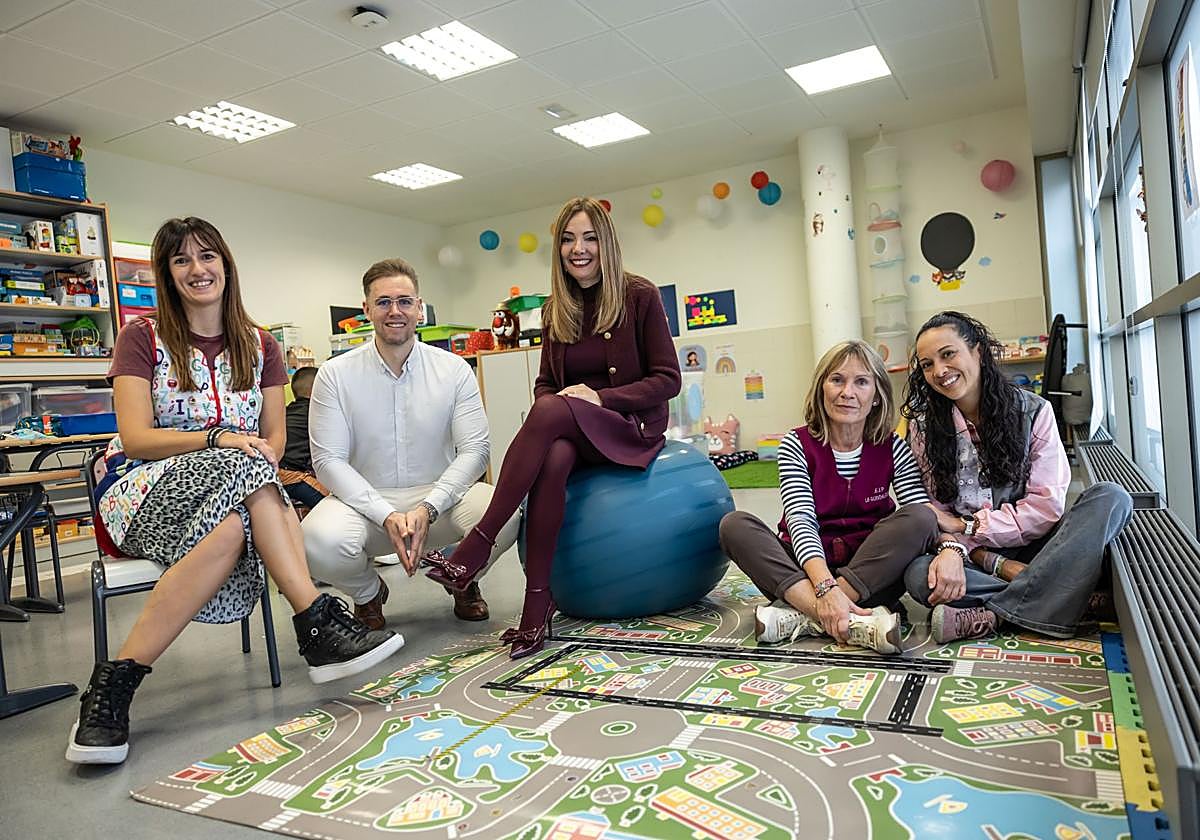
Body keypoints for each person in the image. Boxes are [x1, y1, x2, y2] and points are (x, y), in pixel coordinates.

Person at [68, 218, 403, 766]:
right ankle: (314, 621)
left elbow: (275, 439)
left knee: (230, 527)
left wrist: (243, 451)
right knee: (247, 469)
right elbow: (136, 438)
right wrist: (217, 439)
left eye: (207, 256)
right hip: (143, 488)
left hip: (239, 491)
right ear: (167, 273)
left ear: (226, 265)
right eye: (181, 260)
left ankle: (113, 688)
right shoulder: (141, 337)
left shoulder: (261, 344)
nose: (197, 269)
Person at [422, 197, 682, 659]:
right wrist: (561, 404)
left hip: (630, 427)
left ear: (607, 243)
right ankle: (537, 604)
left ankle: (477, 544)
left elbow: (668, 380)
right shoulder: (554, 310)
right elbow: (546, 383)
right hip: (576, 430)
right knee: (555, 451)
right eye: (567, 239)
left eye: (589, 238)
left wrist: (599, 398)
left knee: (550, 413)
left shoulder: (639, 295)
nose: (578, 249)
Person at [301, 258, 519, 629]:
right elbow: (328, 460)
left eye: (404, 301)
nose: (395, 311)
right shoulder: (335, 375)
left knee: (507, 512)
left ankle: (461, 575)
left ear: (419, 308)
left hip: (442, 499)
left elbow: (476, 450)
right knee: (315, 540)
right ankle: (369, 594)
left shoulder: (453, 370)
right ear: (366, 309)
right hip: (364, 503)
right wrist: (384, 513)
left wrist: (429, 507)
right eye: (383, 302)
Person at [902, 311, 1133, 643]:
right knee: (919, 576)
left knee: (1111, 497)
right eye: (927, 364)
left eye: (948, 354)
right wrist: (981, 557)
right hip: (972, 555)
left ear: (978, 352)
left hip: (1039, 547)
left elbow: (1044, 509)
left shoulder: (1034, 411)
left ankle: (994, 616)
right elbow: (936, 516)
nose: (939, 371)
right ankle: (1067, 595)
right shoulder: (923, 428)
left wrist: (972, 529)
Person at [719, 340, 938, 655]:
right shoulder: (796, 443)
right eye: (837, 380)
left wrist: (953, 545)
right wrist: (824, 587)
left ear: (877, 395)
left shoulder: (893, 447)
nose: (847, 392)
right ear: (822, 388)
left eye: (861, 382)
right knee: (734, 525)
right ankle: (844, 618)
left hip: (868, 576)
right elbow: (800, 519)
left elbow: (918, 510)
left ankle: (805, 615)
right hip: (805, 573)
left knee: (921, 517)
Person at [279, 366, 328, 510]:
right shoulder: (318, 414)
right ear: (315, 390)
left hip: (272, 473)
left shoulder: (287, 411)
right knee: (334, 505)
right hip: (291, 476)